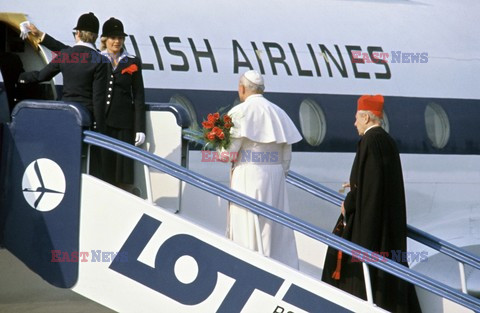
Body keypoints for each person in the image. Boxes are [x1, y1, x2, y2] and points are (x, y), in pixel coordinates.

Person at [321, 95, 421, 312]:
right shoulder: (386, 141)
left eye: (357, 118)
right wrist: (357, 183)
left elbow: (369, 188)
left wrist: (349, 202)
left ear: (366, 117)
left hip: (371, 228)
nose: (354, 123)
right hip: (387, 225)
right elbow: (375, 181)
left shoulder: (369, 141)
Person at [220, 70, 302, 269]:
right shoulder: (278, 112)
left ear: (242, 89)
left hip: (249, 173)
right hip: (275, 177)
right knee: (274, 228)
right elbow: (286, 156)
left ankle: (249, 265)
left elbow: (227, 155)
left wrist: (218, 147)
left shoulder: (239, 112)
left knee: (249, 225)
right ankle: (280, 266)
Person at [18, 12, 107, 133]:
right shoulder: (101, 60)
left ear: (78, 33)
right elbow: (98, 98)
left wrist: (19, 77)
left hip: (66, 112)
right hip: (87, 116)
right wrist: (100, 126)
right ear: (95, 36)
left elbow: (41, 76)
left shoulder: (65, 55)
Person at [98, 17, 146, 189]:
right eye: (113, 38)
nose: (117, 41)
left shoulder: (132, 61)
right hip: (103, 123)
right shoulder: (97, 59)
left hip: (124, 124)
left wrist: (140, 127)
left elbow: (139, 95)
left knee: (123, 172)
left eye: (120, 38)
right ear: (105, 40)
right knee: (103, 169)